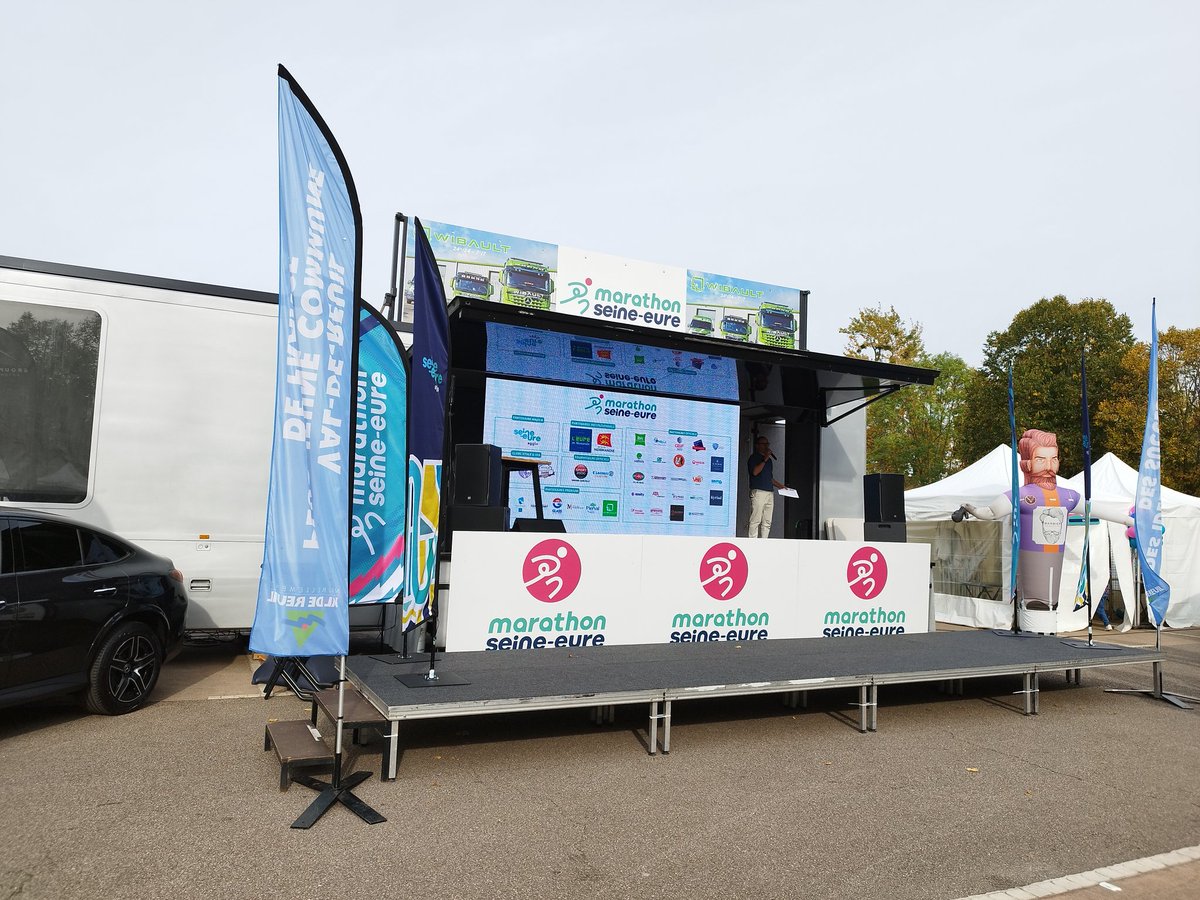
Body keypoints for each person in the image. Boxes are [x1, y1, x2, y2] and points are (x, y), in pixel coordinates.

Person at [746, 434, 785, 538]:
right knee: (756, 519)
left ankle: (764, 541)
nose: (766, 446)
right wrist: (765, 459)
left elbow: (769, 478)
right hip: (758, 492)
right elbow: (755, 472)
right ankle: (752, 541)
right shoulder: (754, 458)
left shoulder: (769, 461)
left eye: (767, 444)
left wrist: (781, 486)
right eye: (764, 444)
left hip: (769, 492)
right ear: (757, 445)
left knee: (767, 520)